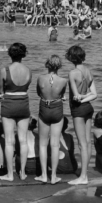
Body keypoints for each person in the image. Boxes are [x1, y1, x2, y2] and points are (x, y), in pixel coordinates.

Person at [0, 43, 32, 181]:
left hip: (9, 104)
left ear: (10, 54)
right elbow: (27, 87)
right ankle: (22, 173)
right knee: (23, 140)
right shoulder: (29, 70)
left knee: (9, 141)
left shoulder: (4, 70)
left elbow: (1, 90)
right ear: (23, 54)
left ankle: (10, 174)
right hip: (23, 103)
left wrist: (3, 96)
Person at [66, 45, 98, 186]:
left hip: (78, 110)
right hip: (88, 108)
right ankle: (85, 173)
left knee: (81, 143)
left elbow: (76, 96)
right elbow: (94, 94)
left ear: (71, 57)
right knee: (88, 142)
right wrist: (85, 97)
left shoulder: (73, 73)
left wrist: (80, 97)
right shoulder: (88, 71)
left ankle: (83, 176)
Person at [36, 55, 68, 185]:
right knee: (55, 144)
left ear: (47, 65)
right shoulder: (63, 81)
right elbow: (62, 95)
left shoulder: (40, 78)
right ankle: (53, 177)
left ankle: (44, 175)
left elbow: (38, 93)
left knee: (43, 143)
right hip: (57, 108)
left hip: (44, 107)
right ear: (59, 66)